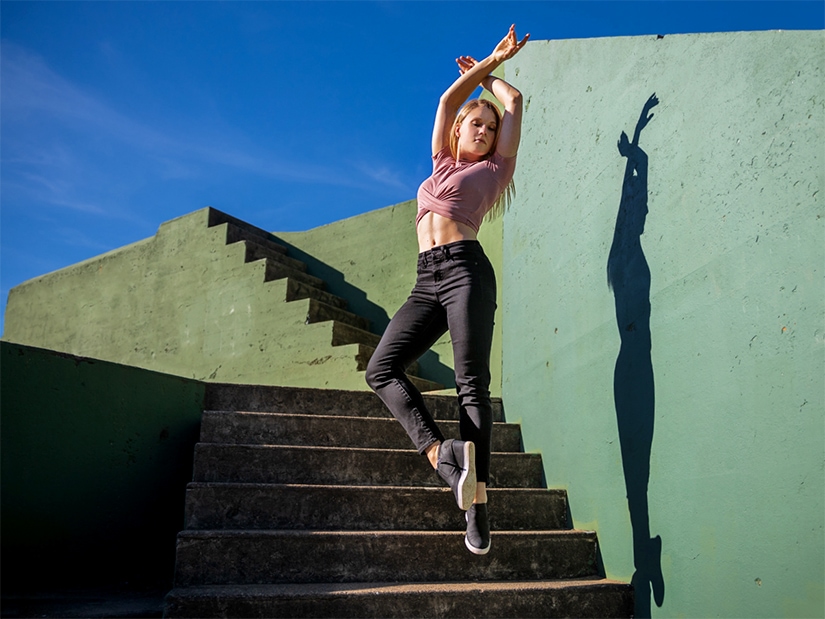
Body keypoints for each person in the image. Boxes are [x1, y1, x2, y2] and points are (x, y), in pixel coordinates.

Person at [366, 25, 528, 556]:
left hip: (465, 272)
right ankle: (443, 457)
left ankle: (478, 507)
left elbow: (514, 100)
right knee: (380, 369)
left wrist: (496, 71)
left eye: (489, 127)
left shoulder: (494, 171)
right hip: (425, 279)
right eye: (475, 124)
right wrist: (477, 71)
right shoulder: (439, 163)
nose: (482, 131)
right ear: (459, 131)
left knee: (469, 385)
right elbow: (447, 99)